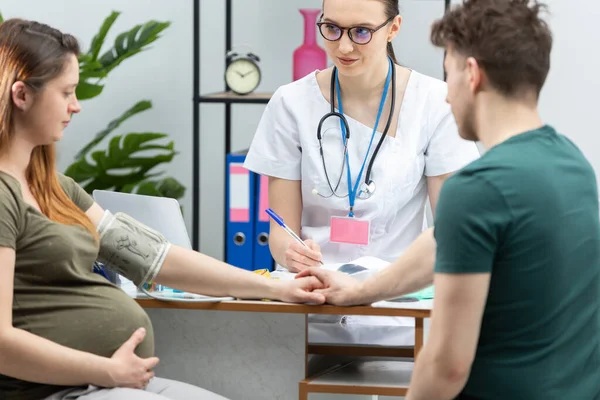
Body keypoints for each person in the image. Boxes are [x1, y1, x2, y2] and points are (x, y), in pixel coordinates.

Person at [0, 18, 326, 400]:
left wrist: (272, 287)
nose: (77, 105)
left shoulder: (54, 188)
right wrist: (106, 370)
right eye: (67, 92)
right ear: (21, 95)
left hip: (104, 382)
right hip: (50, 391)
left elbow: (157, 259)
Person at [299, 0, 600, 399]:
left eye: (449, 75)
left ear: (471, 74)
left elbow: (447, 364)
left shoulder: (477, 189)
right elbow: (445, 242)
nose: (445, 96)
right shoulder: (574, 166)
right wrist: (356, 292)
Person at [244, 0, 480, 346]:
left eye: (361, 32)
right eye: (332, 28)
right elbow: (280, 233)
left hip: (395, 306)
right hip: (311, 301)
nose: (343, 46)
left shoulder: (433, 103)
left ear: (393, 28)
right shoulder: (290, 103)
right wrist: (290, 253)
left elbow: (450, 234)